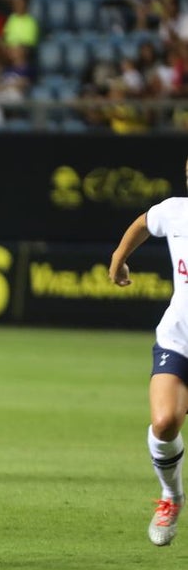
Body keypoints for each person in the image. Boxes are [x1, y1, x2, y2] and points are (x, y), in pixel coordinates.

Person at [108, 161, 188, 546]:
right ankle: (171, 497)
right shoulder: (175, 212)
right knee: (165, 420)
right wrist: (119, 256)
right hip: (179, 338)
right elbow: (143, 222)